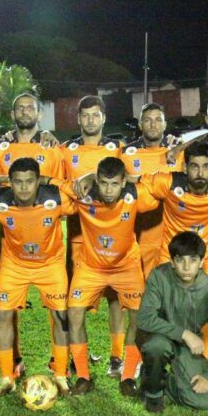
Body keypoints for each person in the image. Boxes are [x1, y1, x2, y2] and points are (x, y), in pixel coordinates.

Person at [138, 140, 208, 397]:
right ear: (184, 167)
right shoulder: (168, 183)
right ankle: (152, 368)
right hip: (172, 259)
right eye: (194, 167)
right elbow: (133, 181)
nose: (200, 172)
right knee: (156, 312)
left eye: (206, 166)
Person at [65, 157, 159, 396]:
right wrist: (86, 176)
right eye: (104, 183)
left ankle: (128, 377)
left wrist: (134, 179)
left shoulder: (135, 195)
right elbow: (51, 184)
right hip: (90, 267)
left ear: (123, 182)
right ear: (97, 181)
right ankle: (83, 376)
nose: (108, 190)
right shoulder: (83, 193)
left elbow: (160, 186)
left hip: (127, 267)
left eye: (115, 184)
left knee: (139, 319)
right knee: (73, 314)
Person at [0, 158, 78, 396]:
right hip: (14, 265)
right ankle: (7, 377)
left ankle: (60, 374)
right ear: (10, 183)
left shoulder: (55, 198)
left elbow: (78, 190)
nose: (24, 187)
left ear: (39, 182)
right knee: (3, 316)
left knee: (60, 317)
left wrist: (52, 180)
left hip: (50, 265)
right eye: (18, 182)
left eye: (30, 181)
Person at [137, 232, 208, 412]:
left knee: (201, 402)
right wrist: (184, 334)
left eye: (193, 260)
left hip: (187, 345)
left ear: (202, 262)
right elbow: (144, 318)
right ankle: (153, 393)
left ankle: (162, 381)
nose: (187, 267)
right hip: (158, 335)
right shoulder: (159, 276)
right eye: (180, 260)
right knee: (156, 346)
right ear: (172, 262)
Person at [60, 95, 122, 372]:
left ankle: (117, 357)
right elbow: (57, 183)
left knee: (115, 298)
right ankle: (76, 358)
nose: (90, 120)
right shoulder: (66, 150)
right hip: (79, 236)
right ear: (78, 119)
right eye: (85, 115)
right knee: (76, 301)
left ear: (104, 118)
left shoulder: (117, 149)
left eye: (95, 115)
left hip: (113, 235)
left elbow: (129, 180)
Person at [121, 103, 180, 280]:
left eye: (158, 120)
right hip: (140, 235)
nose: (153, 124)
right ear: (140, 125)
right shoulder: (125, 153)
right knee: (144, 288)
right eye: (147, 120)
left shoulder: (179, 151)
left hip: (174, 234)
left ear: (165, 124)